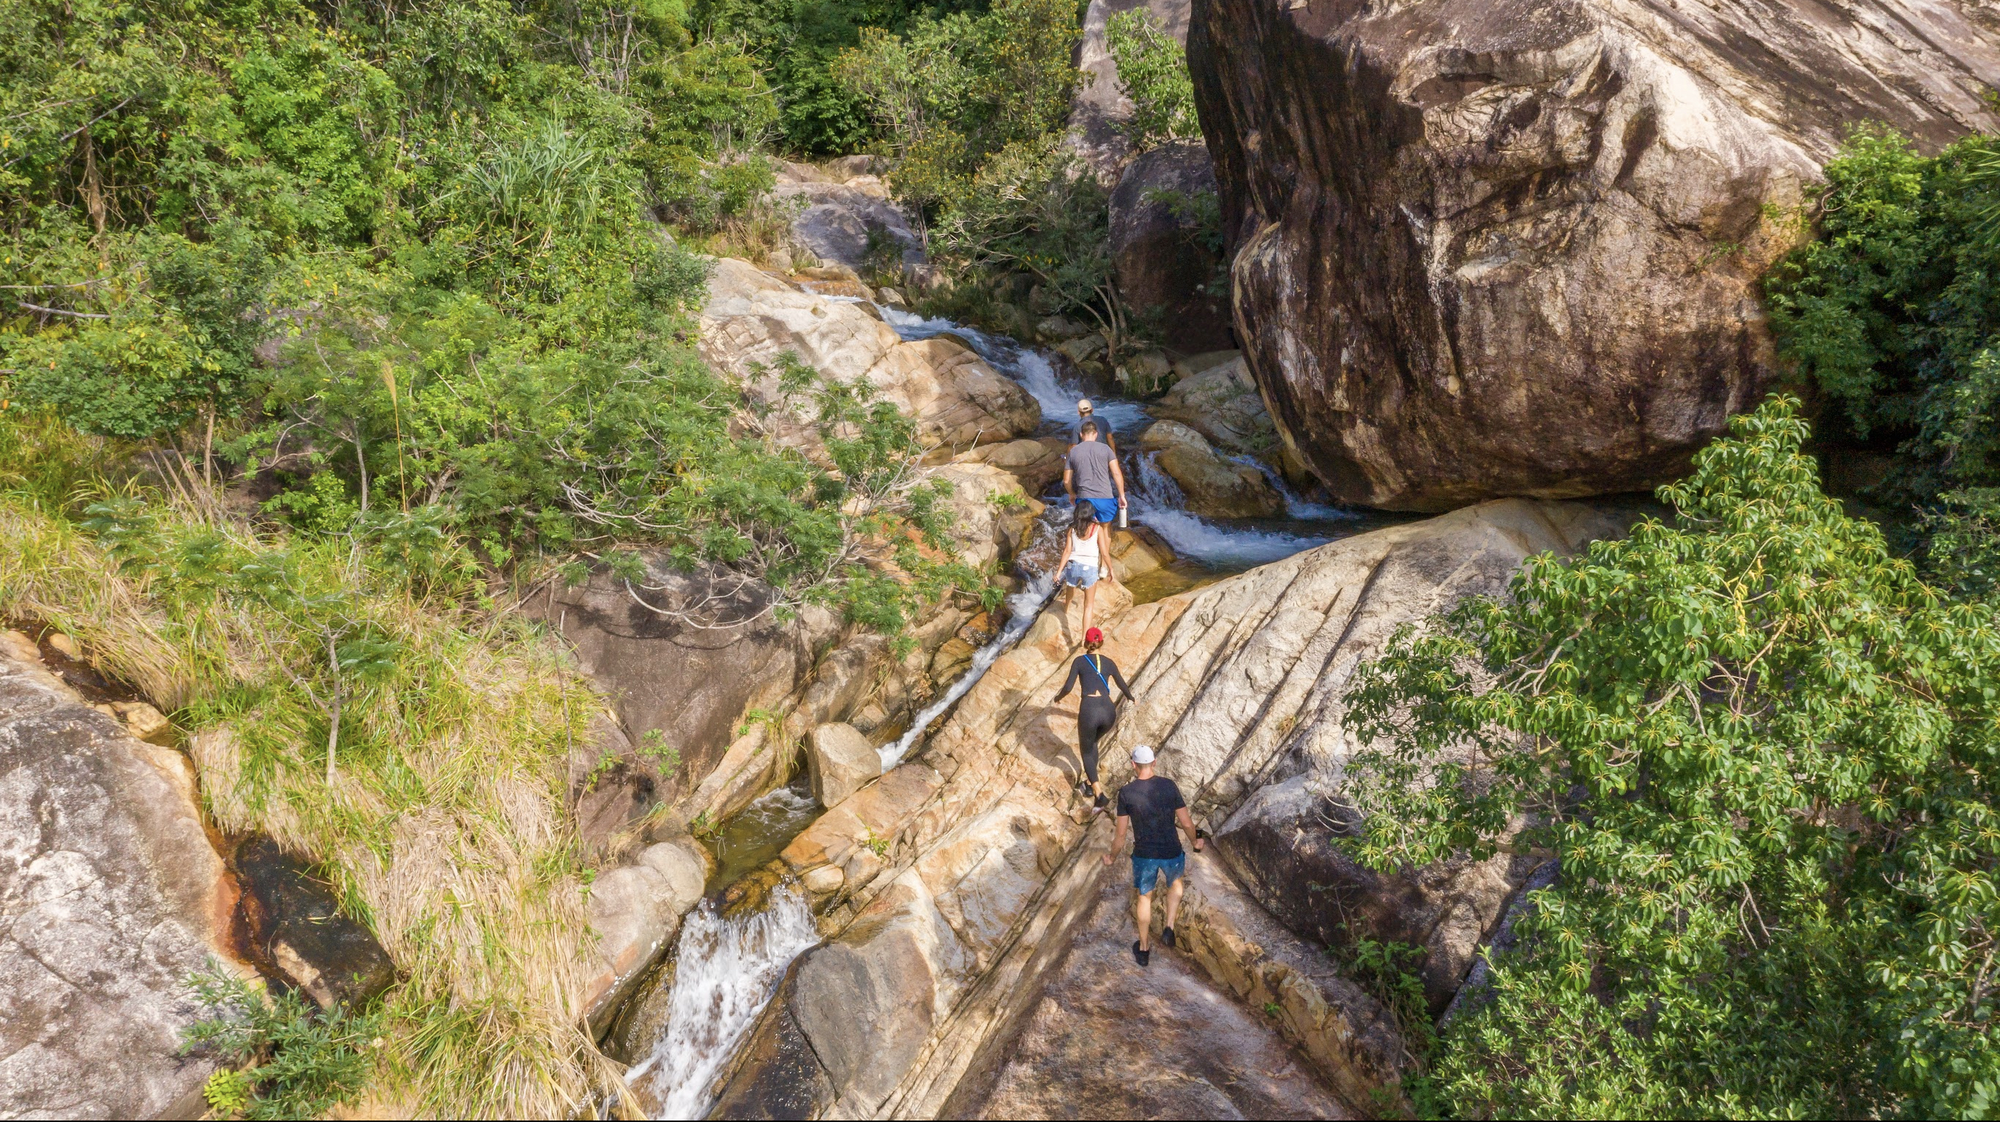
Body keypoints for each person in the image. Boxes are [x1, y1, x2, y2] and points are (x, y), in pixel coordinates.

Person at [1103, 744, 1201, 967]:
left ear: (1133, 765)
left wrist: (1111, 856)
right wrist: (1196, 841)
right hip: (1171, 850)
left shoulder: (1126, 793)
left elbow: (1120, 835)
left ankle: (1144, 949)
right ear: (1154, 762)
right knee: (1175, 884)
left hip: (1144, 854)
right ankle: (1169, 926)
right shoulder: (1169, 786)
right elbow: (1185, 822)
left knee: (1144, 897)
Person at [1050, 626, 1132, 809]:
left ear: (1086, 643)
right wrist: (1131, 697)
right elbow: (1121, 683)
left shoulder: (1079, 661)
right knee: (1093, 743)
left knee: (1086, 751)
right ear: (1101, 641)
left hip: (1090, 709)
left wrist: (1058, 698)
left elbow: (1068, 687)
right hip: (1109, 711)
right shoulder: (1109, 662)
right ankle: (1088, 783)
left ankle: (1099, 794)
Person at [1052, 503, 1118, 638]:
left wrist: (1058, 572)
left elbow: (1067, 551)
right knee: (1088, 605)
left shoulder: (1072, 529)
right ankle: (1084, 639)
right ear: (1090, 514)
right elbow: (1104, 553)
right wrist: (1111, 569)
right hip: (1090, 567)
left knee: (1070, 586)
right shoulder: (1097, 529)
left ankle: (1066, 607)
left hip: (1073, 566)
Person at [1063, 419, 1126, 529]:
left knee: (1085, 530)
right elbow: (1116, 473)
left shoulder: (1073, 451)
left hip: (1084, 498)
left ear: (1081, 434)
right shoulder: (1106, 449)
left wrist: (1072, 494)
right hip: (1105, 498)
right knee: (1105, 529)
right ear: (1096, 434)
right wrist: (1122, 495)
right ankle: (1104, 547)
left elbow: (1067, 480)